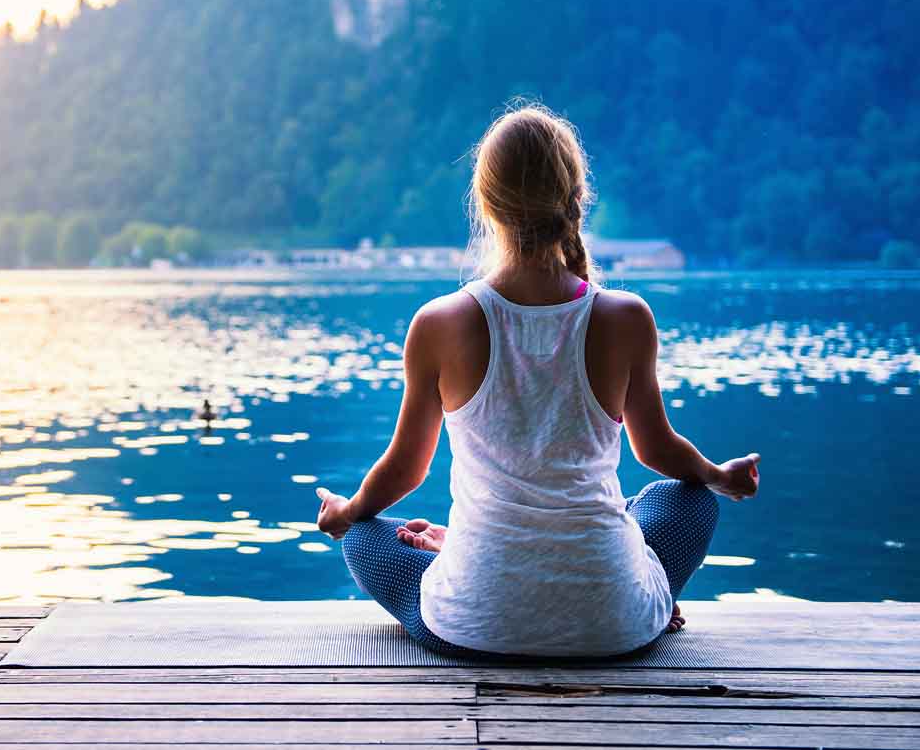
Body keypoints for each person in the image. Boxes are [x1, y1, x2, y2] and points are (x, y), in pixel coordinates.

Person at [314, 104, 760, 659]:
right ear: (577, 199)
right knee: (689, 498)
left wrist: (346, 512)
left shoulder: (438, 323)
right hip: (614, 627)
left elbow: (406, 470)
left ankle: (466, 559)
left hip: (475, 624)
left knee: (364, 531)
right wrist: (718, 475)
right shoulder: (626, 317)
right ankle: (645, 599)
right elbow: (658, 452)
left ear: (485, 205)